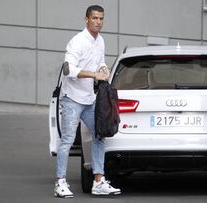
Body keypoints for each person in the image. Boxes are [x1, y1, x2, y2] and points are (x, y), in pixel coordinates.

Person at [54, 5, 121, 198]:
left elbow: (99, 61)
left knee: (100, 135)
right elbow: (69, 70)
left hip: (90, 99)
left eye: (101, 18)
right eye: (94, 18)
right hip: (72, 99)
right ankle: (60, 183)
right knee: (66, 140)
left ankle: (98, 182)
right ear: (86, 19)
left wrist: (103, 69)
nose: (98, 22)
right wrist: (94, 74)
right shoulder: (77, 42)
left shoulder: (100, 41)